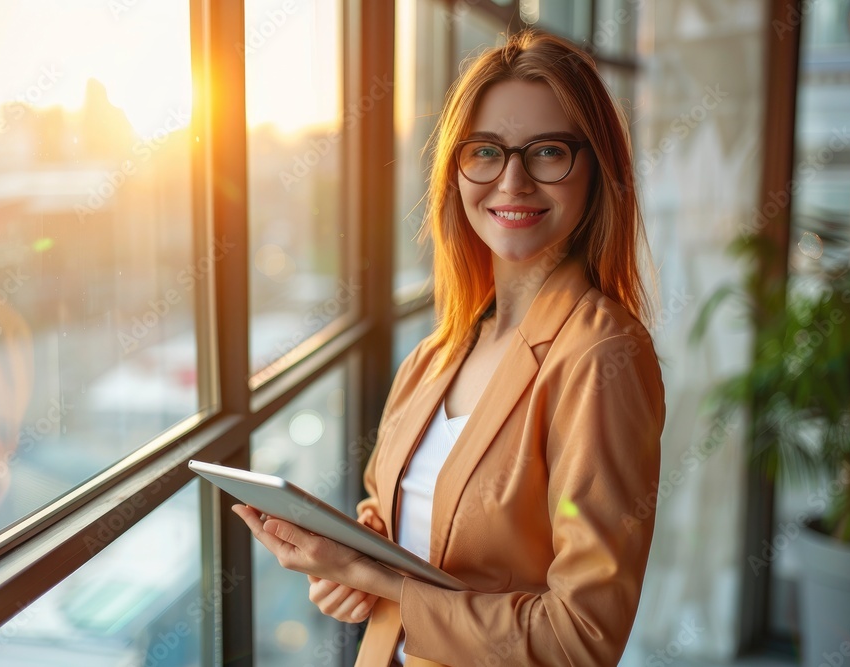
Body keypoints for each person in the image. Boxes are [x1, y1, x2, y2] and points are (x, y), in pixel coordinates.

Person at [234, 29, 665, 666]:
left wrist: (380, 582)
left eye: (547, 151)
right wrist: (343, 563)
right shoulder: (438, 353)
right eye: (485, 152)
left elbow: (580, 641)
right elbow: (399, 516)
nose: (512, 180)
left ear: (597, 170)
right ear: (457, 171)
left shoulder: (601, 357)